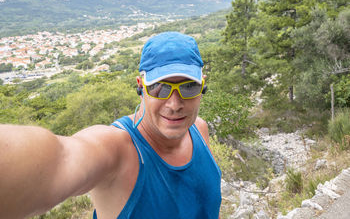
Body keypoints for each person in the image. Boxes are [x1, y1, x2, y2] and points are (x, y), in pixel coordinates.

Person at [0, 32, 222, 219]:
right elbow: (61, 159)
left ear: (203, 86)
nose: (174, 104)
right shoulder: (119, 150)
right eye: (159, 88)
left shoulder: (199, 130)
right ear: (140, 87)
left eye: (189, 87)